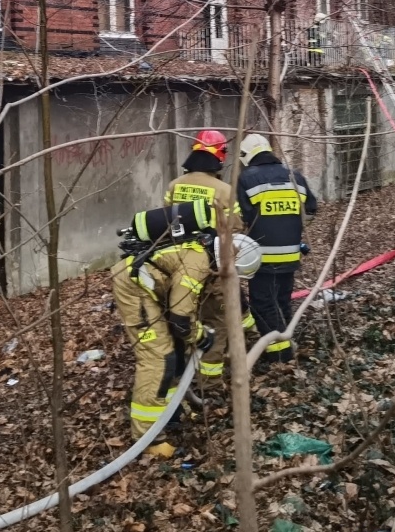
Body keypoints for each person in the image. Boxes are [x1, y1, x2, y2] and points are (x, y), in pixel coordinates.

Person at [110, 198, 217, 442]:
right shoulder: (198, 262)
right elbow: (181, 320)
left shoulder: (195, 250)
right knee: (159, 357)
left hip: (148, 286)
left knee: (175, 351)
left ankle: (171, 412)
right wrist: (201, 337)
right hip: (133, 288)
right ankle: (147, 437)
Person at [162, 129, 255, 383]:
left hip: (176, 262)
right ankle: (209, 379)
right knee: (216, 318)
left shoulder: (174, 186)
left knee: (184, 314)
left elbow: (166, 221)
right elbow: (236, 228)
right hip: (213, 266)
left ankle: (183, 369)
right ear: (220, 157)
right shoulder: (225, 191)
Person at [237, 132, 318, 364]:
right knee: (282, 299)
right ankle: (287, 338)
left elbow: (242, 216)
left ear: (246, 155)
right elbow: (311, 209)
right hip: (292, 254)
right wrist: (294, 228)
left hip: (261, 258)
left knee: (262, 303)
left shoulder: (247, 179)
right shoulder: (296, 177)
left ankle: (280, 354)